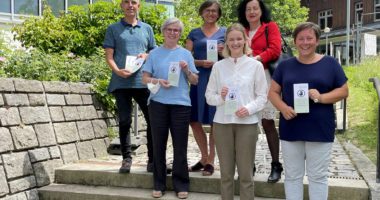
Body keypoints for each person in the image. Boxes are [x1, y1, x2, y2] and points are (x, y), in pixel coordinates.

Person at [268, 22, 349, 200]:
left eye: (309, 38)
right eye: (301, 38)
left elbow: (344, 91)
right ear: (295, 41)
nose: (305, 42)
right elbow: (273, 92)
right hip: (291, 127)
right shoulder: (285, 65)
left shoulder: (330, 63)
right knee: (292, 176)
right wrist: (283, 107)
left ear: (317, 40)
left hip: (319, 128)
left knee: (318, 177)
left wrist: (321, 97)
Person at [205, 23, 267, 200]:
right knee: (225, 174)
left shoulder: (255, 66)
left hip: (247, 124)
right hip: (222, 123)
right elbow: (209, 96)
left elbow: (262, 97)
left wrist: (248, 109)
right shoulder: (219, 67)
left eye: (239, 39)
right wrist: (221, 98)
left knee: (246, 175)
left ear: (245, 41)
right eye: (231, 39)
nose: (235, 43)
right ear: (226, 43)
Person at [142, 17, 198, 199]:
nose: (173, 33)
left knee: (180, 146)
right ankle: (158, 183)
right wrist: (158, 81)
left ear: (180, 34)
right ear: (163, 31)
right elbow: (144, 79)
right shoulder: (154, 53)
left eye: (176, 30)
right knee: (158, 145)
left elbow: (195, 80)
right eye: (169, 29)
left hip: (181, 104)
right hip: (158, 103)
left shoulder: (186, 54)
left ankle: (181, 183)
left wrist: (186, 70)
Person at [103, 0, 155, 173]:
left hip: (143, 82)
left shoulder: (147, 28)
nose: (130, 5)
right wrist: (117, 71)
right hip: (121, 82)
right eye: (126, 2)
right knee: (124, 120)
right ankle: (126, 158)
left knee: (152, 121)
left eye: (134, 2)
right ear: (121, 6)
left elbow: (154, 52)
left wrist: (147, 55)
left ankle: (152, 160)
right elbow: (109, 55)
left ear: (139, 6)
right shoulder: (113, 29)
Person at [237, 0, 283, 183]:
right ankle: (248, 165)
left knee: (268, 122)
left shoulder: (270, 27)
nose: (252, 12)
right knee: (248, 125)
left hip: (264, 78)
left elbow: (275, 49)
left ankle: (276, 164)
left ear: (261, 10)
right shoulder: (241, 30)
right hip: (245, 80)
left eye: (255, 8)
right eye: (248, 9)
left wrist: (256, 57)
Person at [185, 0, 226, 176]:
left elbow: (234, 54)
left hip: (217, 78)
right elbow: (186, 58)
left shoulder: (225, 32)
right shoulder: (193, 33)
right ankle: (203, 157)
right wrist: (200, 62)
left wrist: (223, 51)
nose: (211, 13)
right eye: (208, 10)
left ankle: (210, 160)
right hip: (198, 79)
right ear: (202, 12)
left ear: (218, 14)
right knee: (194, 120)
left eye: (214, 11)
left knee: (215, 120)